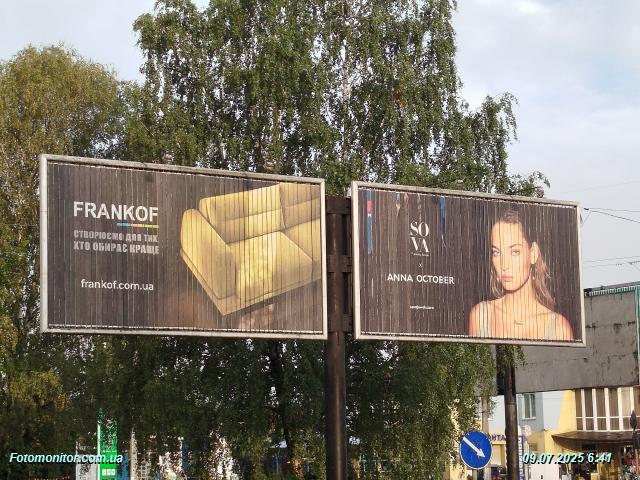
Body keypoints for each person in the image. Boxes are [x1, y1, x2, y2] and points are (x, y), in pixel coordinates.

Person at [468, 208, 574, 340]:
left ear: (533, 253)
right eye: (496, 252)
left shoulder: (558, 328)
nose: (504, 265)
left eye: (515, 252)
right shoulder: (481, 316)